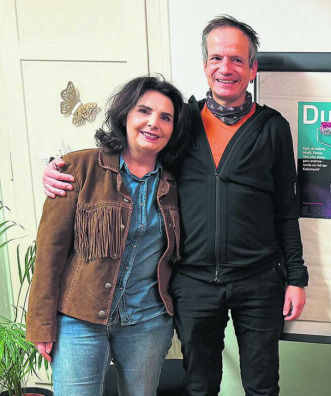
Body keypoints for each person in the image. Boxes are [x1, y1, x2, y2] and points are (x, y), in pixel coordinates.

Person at [41, 15, 308, 396]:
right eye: (216, 58)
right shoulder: (180, 121)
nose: (225, 68)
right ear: (205, 66)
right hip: (193, 281)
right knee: (198, 385)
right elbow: (127, 153)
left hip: (260, 279)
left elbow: (286, 206)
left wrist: (296, 277)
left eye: (236, 59)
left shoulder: (273, 128)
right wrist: (56, 167)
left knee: (263, 385)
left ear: (253, 69)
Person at [26, 76, 188, 395]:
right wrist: (41, 323)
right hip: (78, 317)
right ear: (125, 115)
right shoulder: (79, 168)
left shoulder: (179, 182)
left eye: (165, 117)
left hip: (147, 320)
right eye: (144, 111)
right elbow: (49, 252)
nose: (153, 123)